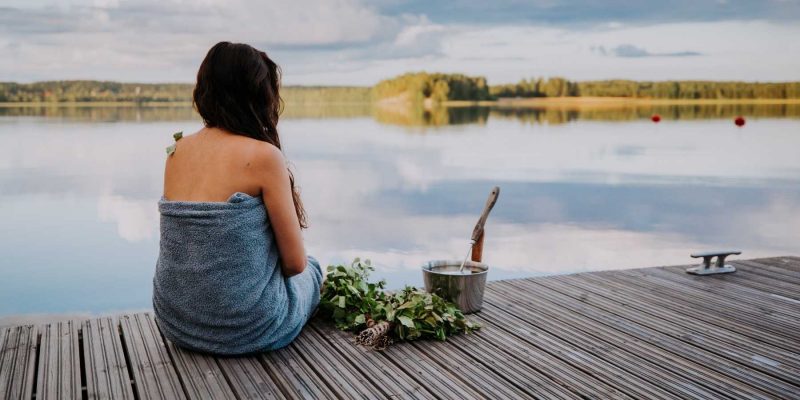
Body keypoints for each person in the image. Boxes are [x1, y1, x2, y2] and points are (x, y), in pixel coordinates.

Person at [152, 42, 322, 355]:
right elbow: (295, 263)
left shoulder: (176, 151)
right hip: (249, 328)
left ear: (204, 90)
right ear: (260, 95)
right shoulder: (263, 156)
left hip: (176, 323)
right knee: (313, 269)